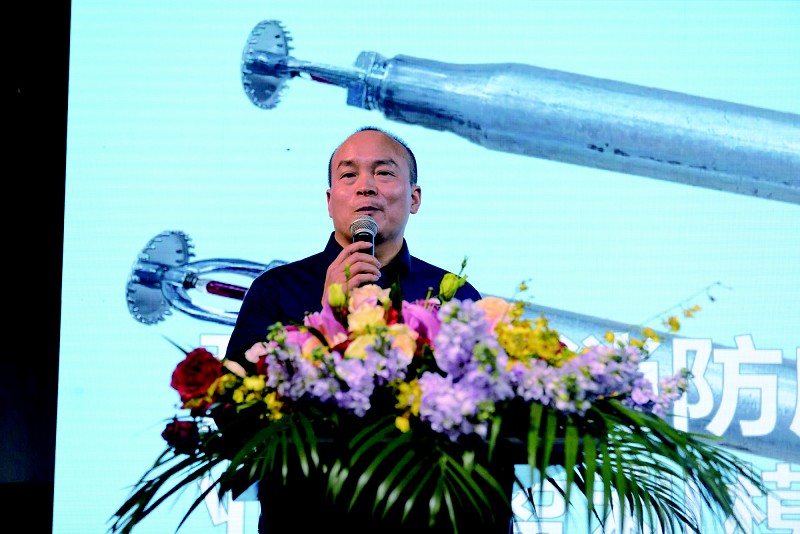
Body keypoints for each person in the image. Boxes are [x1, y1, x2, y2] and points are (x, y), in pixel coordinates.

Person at [225, 126, 513, 533]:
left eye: (384, 172)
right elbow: (236, 417)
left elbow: (493, 415)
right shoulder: (277, 290)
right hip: (311, 518)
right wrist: (327, 314)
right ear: (330, 202)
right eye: (349, 175)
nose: (365, 187)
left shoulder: (455, 295)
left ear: (414, 198)